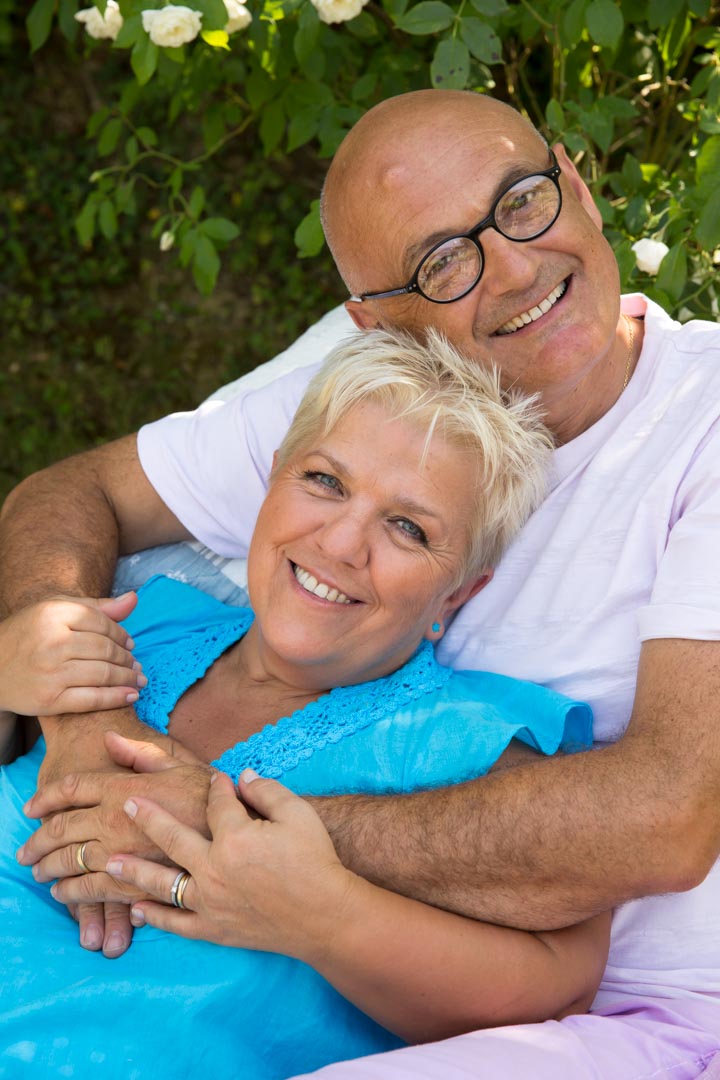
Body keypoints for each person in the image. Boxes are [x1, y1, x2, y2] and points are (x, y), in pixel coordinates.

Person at [2, 87, 720, 1075]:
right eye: (442, 261)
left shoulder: (706, 420)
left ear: (581, 184)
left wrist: (213, 819)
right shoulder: (369, 402)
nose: (513, 267)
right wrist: (76, 706)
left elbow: (667, 818)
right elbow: (73, 491)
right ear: (377, 322)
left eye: (522, 201)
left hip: (651, 1016)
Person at [1, 330, 604, 1078]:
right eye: (325, 481)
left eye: (408, 528)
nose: (343, 541)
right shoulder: (141, 619)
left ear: (458, 594)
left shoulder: (466, 741)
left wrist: (321, 917)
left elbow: (564, 981)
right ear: (273, 480)